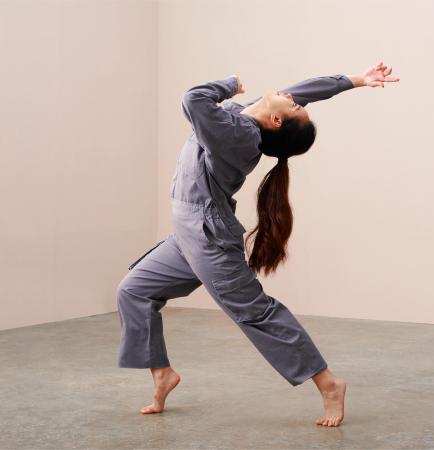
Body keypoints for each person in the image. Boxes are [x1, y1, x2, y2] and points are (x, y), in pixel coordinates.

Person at [116, 62, 400, 427]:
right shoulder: (250, 115)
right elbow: (306, 90)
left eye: (293, 105)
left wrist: (228, 84)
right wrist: (357, 80)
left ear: (277, 121)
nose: (293, 97)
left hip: (208, 238)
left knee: (256, 312)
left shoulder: (238, 135)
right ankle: (162, 373)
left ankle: (328, 383)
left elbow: (193, 99)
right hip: (187, 233)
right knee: (134, 291)